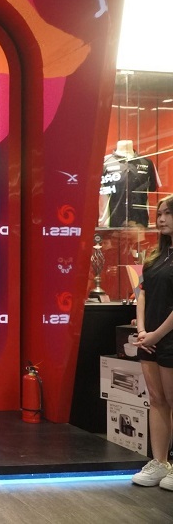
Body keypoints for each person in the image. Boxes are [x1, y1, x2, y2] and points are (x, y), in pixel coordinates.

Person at [132, 194, 173, 489]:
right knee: (157, 400)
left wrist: (157, 334)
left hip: (168, 339)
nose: (161, 219)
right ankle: (160, 462)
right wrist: (143, 330)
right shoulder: (155, 256)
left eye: (168, 213)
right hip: (150, 339)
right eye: (159, 214)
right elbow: (142, 293)